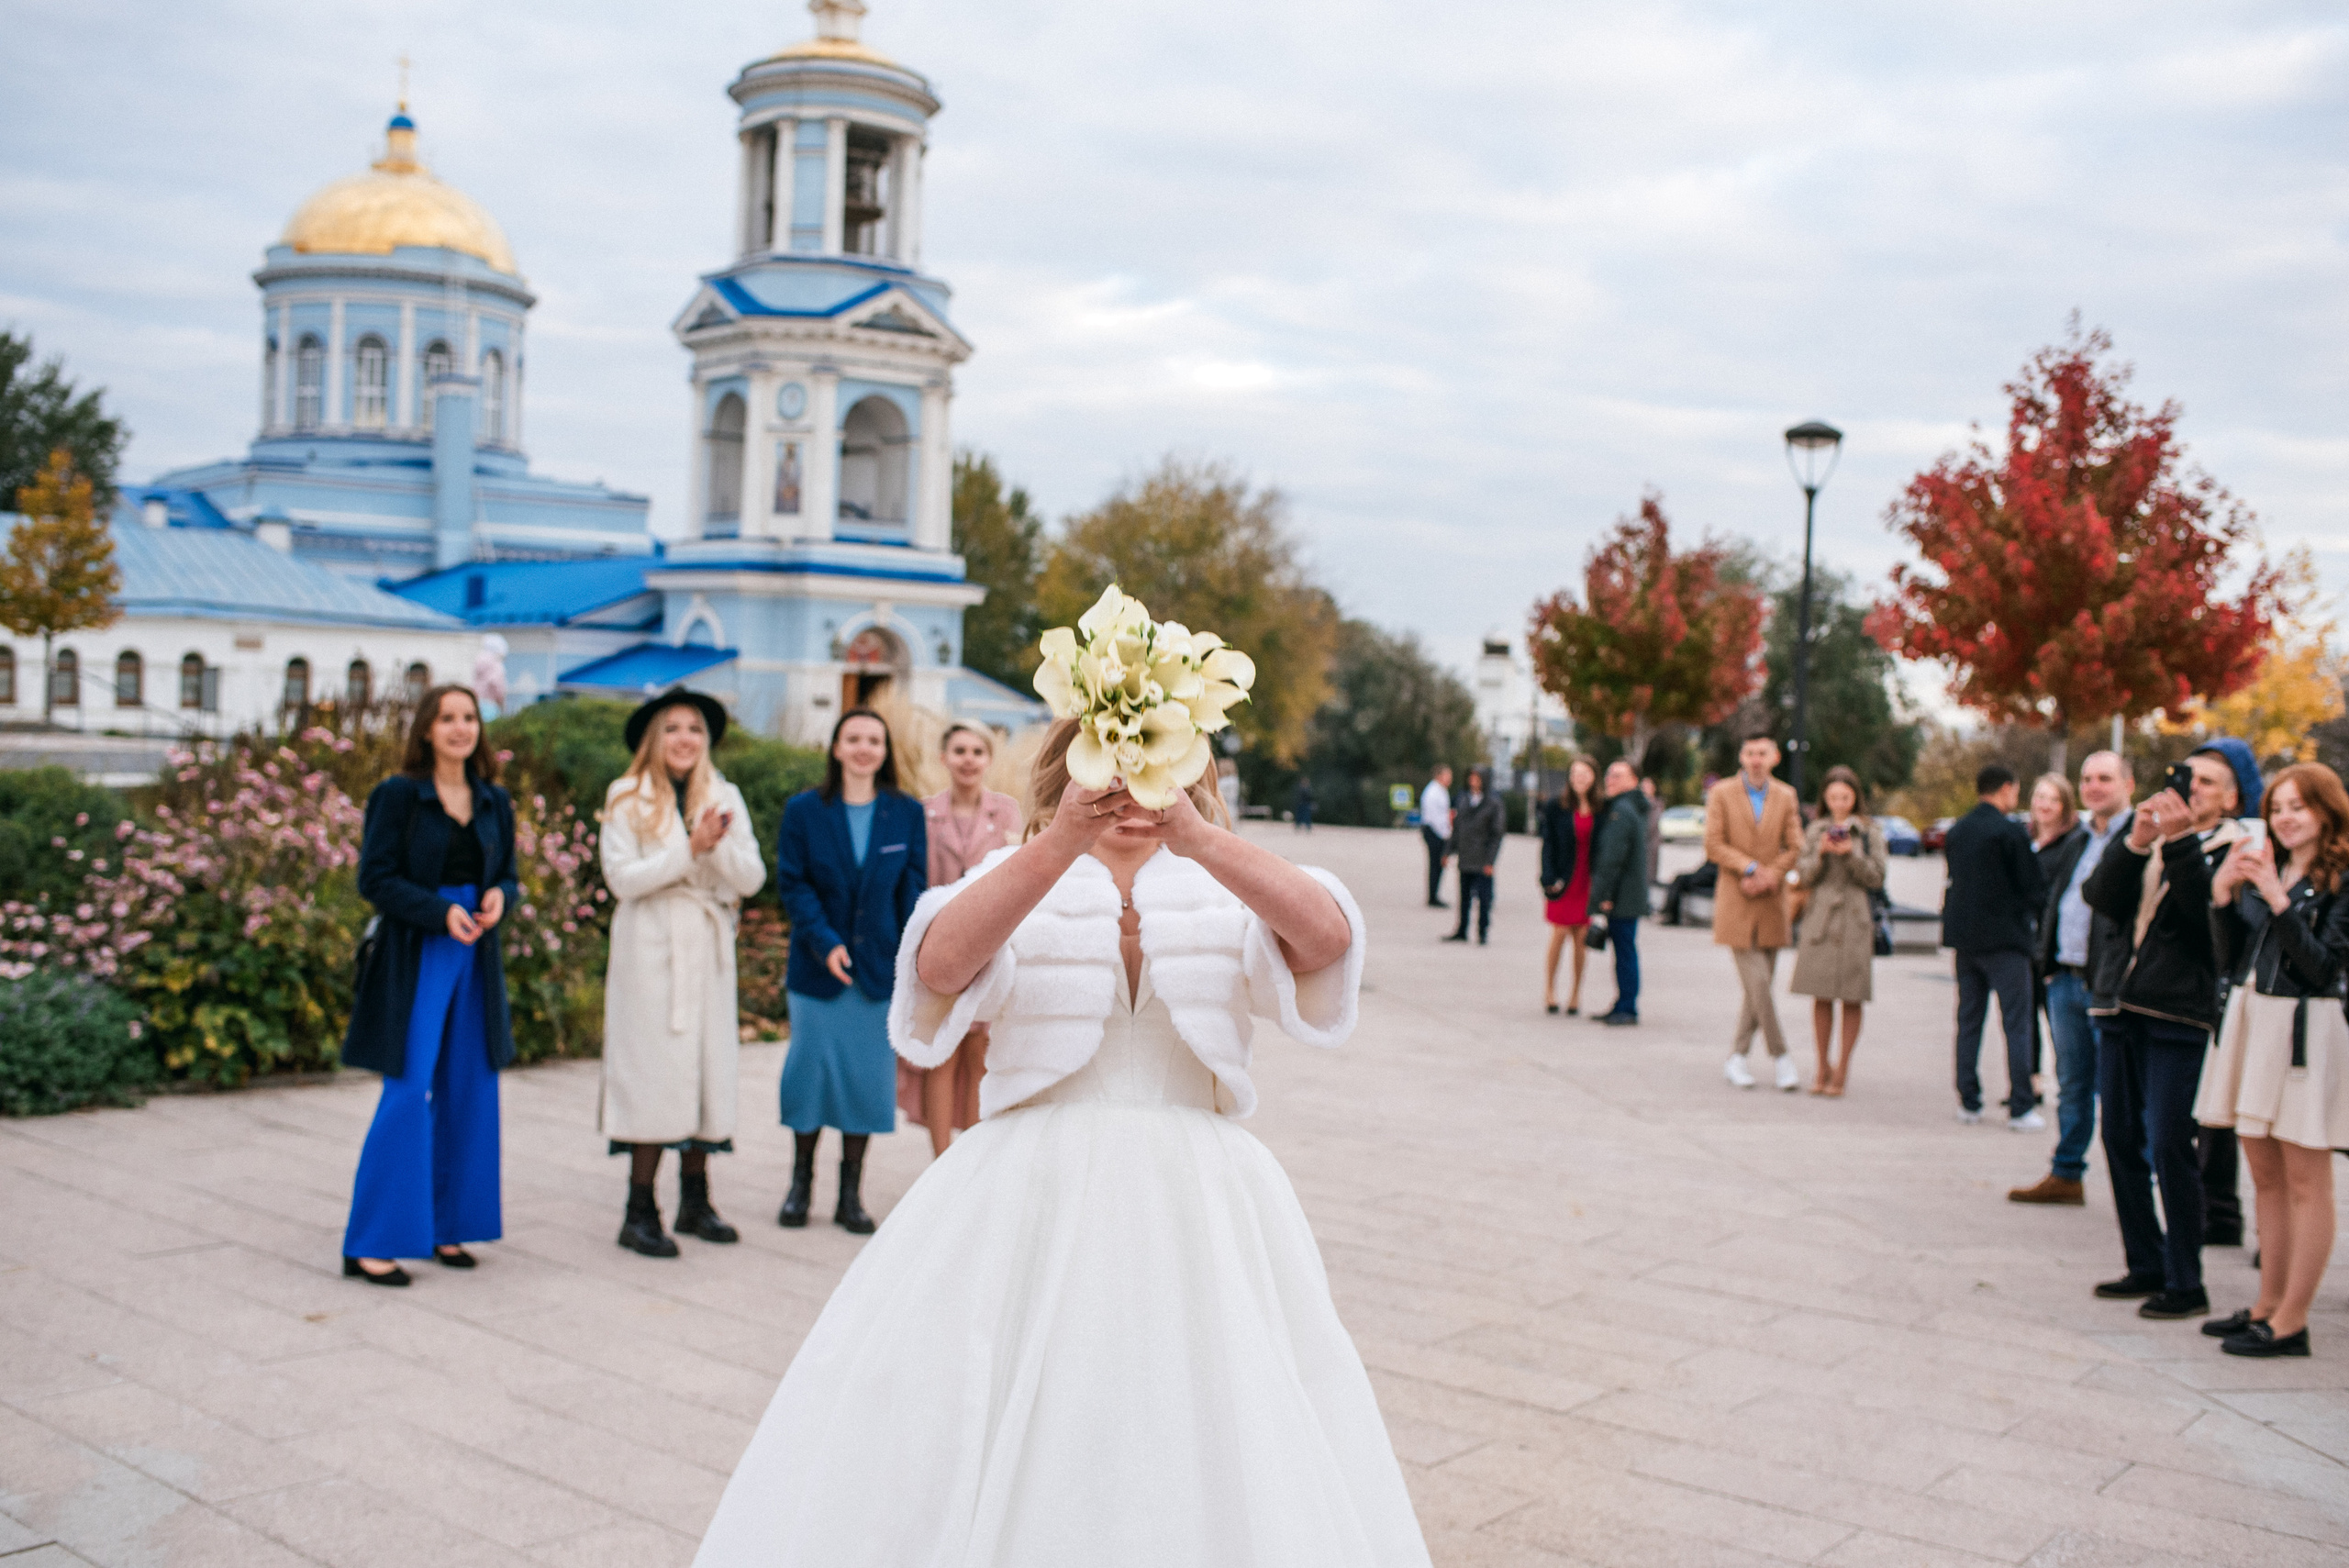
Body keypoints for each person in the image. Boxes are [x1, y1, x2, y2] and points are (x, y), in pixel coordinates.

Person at [688, 719, 1432, 1567]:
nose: (1129, 784)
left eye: (1152, 762)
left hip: (1199, 1193)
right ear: (1067, 771)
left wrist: (1200, 837)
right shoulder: (1018, 875)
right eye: (1108, 763)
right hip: (1026, 1182)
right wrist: (1058, 842)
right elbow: (937, 967)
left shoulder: (1223, 884)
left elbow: (1327, 938)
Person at [340, 684, 518, 1285]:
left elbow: (509, 875)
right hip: (419, 949)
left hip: (476, 950)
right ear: (426, 729)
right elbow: (375, 878)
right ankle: (372, 1240)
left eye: (469, 717)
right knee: (408, 1087)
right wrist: (437, 912)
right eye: (448, 718)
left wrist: (500, 896)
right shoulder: (398, 795)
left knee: (472, 1086)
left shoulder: (494, 800)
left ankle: (449, 1226)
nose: (460, 727)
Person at [2081, 740, 2259, 1319]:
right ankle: (2146, 1261)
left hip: (2178, 1013)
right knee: (2118, 1137)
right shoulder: (2150, 837)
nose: (2193, 789)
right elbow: (2101, 898)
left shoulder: (2238, 847)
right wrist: (2136, 843)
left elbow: (2204, 927)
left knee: (2168, 1144)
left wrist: (2181, 842)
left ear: (2231, 797)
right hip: (2119, 1005)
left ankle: (2187, 1279)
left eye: (2208, 783)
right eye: (2188, 778)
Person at [598, 688, 767, 1257]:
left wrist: (713, 847)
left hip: (707, 940)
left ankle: (697, 1200)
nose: (685, 739)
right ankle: (639, 1207)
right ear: (654, 738)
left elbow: (750, 878)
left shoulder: (725, 797)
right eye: (672, 728)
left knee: (704, 1069)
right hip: (651, 946)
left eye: (694, 728)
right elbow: (623, 879)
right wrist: (689, 850)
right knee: (653, 1070)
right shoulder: (626, 798)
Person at [2197, 762, 2349, 1357]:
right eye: (2277, 807)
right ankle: (2265, 1303)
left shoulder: (2339, 878)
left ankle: (2292, 1319)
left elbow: (2323, 967)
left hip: (2306, 1031)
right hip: (2255, 1017)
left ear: (2326, 810)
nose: (2284, 817)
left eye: (2297, 806)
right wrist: (2222, 893)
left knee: (2308, 1180)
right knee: (2263, 1172)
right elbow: (2231, 956)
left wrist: (2279, 899)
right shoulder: (2274, 866)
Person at [772, 709, 928, 1233]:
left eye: (874, 740)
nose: (864, 748)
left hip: (876, 973)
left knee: (864, 1083)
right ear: (836, 747)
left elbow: (913, 890)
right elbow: (793, 885)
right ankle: (800, 1186)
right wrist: (825, 942)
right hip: (817, 972)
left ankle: (850, 1196)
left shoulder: (904, 813)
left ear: (885, 751)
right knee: (810, 1076)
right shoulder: (804, 811)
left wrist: (913, 960)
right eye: (853, 739)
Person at [2011, 751, 2132, 1207]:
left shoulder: (2138, 839)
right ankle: (2066, 1173)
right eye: (2087, 779)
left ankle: (2135, 1184)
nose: (2094, 786)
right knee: (2073, 1082)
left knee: (2120, 1091)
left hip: (2108, 982)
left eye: (2105, 778)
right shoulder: (2080, 841)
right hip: (2065, 977)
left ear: (2128, 783)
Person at [904, 722, 1022, 1158]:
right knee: (941, 1049)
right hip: (939, 946)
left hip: (992, 946)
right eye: (959, 750)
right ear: (944, 758)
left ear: (988, 759)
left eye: (977, 751)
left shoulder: (1007, 814)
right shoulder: (923, 813)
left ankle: (972, 1154)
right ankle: (939, 1159)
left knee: (980, 1049)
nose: (968, 759)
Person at [1942, 763, 2048, 1126]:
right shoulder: (2009, 833)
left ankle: (1968, 1101)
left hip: (1966, 940)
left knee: (1969, 1020)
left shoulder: (1958, 831)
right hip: (2006, 940)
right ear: (2007, 788)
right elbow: (2034, 888)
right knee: (2016, 1023)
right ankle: (2021, 1103)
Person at [1705, 732, 1804, 1089]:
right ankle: (1782, 1056)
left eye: (1762, 753)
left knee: (1756, 989)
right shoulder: (1722, 793)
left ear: (1775, 756)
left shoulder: (1785, 795)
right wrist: (1749, 868)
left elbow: (1795, 846)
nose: (1756, 759)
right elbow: (1714, 843)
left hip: (1772, 901)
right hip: (1736, 898)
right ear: (1742, 757)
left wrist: (1770, 875)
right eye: (1750, 753)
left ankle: (1737, 1056)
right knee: (1759, 982)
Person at [1789, 766, 1886, 1096]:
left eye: (1845, 797)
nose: (1840, 803)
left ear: (1855, 797)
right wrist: (1821, 853)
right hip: (1821, 917)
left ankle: (1843, 1067)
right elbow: (1802, 874)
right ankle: (1821, 1065)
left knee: (1852, 995)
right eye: (1833, 797)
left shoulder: (1870, 832)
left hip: (1855, 916)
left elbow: (1877, 877)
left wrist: (1853, 854)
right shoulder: (1816, 829)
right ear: (1825, 799)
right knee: (1820, 994)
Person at [1588, 759, 1651, 1027]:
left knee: (1625, 951)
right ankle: (1623, 1002)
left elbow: (1612, 860)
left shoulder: (1621, 811)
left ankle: (1627, 1007)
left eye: (1618, 775)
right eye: (1609, 774)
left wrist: (1602, 896)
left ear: (1633, 781)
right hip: (1627, 894)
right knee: (1625, 950)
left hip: (1621, 896)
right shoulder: (1630, 807)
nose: (1610, 780)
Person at [1539, 757, 1599, 1014]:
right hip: (1564, 879)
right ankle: (1550, 989)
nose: (1579, 778)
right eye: (1575, 774)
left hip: (1588, 880)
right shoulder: (1556, 806)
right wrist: (1548, 877)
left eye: (1584, 774)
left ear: (1594, 777)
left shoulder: (1601, 808)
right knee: (1560, 933)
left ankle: (1575, 993)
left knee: (1581, 938)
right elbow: (1548, 845)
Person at [1443, 768, 1505, 945]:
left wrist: (1490, 861)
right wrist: (1448, 851)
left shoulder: (1493, 803)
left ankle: (1482, 932)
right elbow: (1457, 829)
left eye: (1477, 778)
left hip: (1482, 858)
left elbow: (1497, 834)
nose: (1473, 781)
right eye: (1471, 777)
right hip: (1465, 857)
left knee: (1484, 898)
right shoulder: (1463, 799)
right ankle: (1462, 930)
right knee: (1464, 896)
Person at [1419, 765, 1453, 908]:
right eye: (1448, 775)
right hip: (1434, 831)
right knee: (1436, 864)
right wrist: (1445, 834)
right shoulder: (1433, 792)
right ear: (1439, 776)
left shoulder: (1440, 790)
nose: (1450, 779)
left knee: (1438, 864)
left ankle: (1434, 894)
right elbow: (1435, 818)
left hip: (1437, 830)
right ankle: (1433, 896)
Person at [1641, 774, 1664, 887]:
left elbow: (1652, 824)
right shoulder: (1639, 803)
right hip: (1642, 841)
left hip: (1651, 842)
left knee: (1649, 872)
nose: (1645, 787)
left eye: (1648, 785)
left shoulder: (1657, 804)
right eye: (1643, 785)